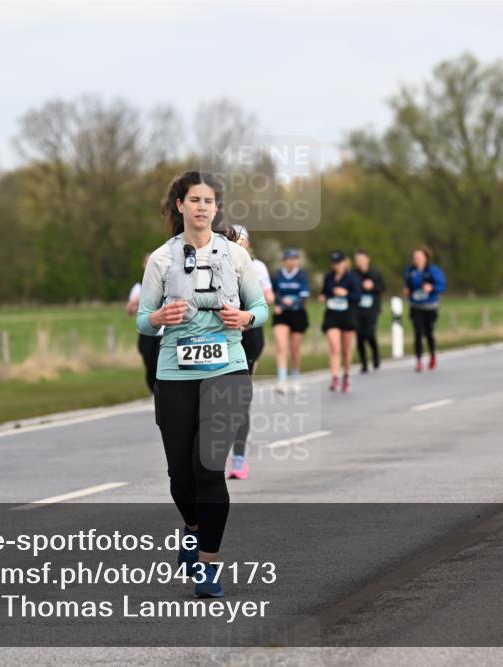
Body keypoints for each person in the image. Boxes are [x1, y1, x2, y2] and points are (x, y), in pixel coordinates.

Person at [135, 171, 268, 598]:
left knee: (209, 469)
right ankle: (192, 529)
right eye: (194, 200)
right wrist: (157, 319)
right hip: (175, 374)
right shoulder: (161, 259)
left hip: (227, 368)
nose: (202, 207)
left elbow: (261, 308)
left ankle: (208, 564)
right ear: (180, 206)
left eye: (209, 200)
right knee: (180, 476)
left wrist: (246, 319)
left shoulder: (236, 256)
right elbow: (142, 318)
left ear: (216, 208)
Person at [229, 224, 275, 480]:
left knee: (239, 399)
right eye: (231, 239)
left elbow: (266, 298)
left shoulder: (256, 267)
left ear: (248, 244)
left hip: (249, 339)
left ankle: (238, 458)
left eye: (240, 240)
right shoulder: (216, 262)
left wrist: (249, 313)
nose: (236, 244)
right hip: (222, 339)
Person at [320, 250, 362, 392]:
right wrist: (324, 297)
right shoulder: (329, 277)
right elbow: (324, 292)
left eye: (338, 263)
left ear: (345, 262)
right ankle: (334, 378)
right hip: (332, 316)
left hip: (348, 316)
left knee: (346, 350)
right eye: (334, 263)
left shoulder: (352, 278)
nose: (336, 266)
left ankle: (346, 375)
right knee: (334, 347)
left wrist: (346, 294)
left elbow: (358, 297)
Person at [271, 248, 311, 393]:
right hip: (281, 314)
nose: (291, 261)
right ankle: (281, 381)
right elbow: (272, 293)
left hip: (297, 314)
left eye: (294, 259)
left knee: (294, 350)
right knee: (282, 347)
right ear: (284, 260)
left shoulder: (301, 275)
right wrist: (280, 303)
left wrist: (291, 302)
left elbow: (304, 296)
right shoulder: (277, 275)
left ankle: (295, 378)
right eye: (289, 258)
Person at [403, 247, 446, 372]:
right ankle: (419, 360)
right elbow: (407, 285)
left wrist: (431, 288)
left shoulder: (433, 271)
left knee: (428, 333)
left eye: (419, 257)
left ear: (425, 258)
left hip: (430, 306)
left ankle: (432, 354)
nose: (417, 260)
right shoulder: (409, 271)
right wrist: (406, 290)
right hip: (416, 306)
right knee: (417, 333)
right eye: (415, 257)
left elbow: (442, 285)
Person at [127, 253, 162, 393]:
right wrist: (136, 301)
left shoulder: (165, 282)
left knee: (159, 364)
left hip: (162, 333)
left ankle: (160, 392)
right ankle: (153, 391)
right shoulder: (138, 287)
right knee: (149, 365)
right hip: (145, 333)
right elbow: (130, 311)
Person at [353, 248, 385, 372]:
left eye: (362, 260)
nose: (360, 262)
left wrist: (373, 286)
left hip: (372, 308)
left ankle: (375, 355)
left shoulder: (375, 273)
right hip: (357, 309)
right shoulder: (353, 274)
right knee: (359, 336)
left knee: (370, 333)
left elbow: (382, 288)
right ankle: (364, 363)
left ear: (367, 259)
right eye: (357, 260)